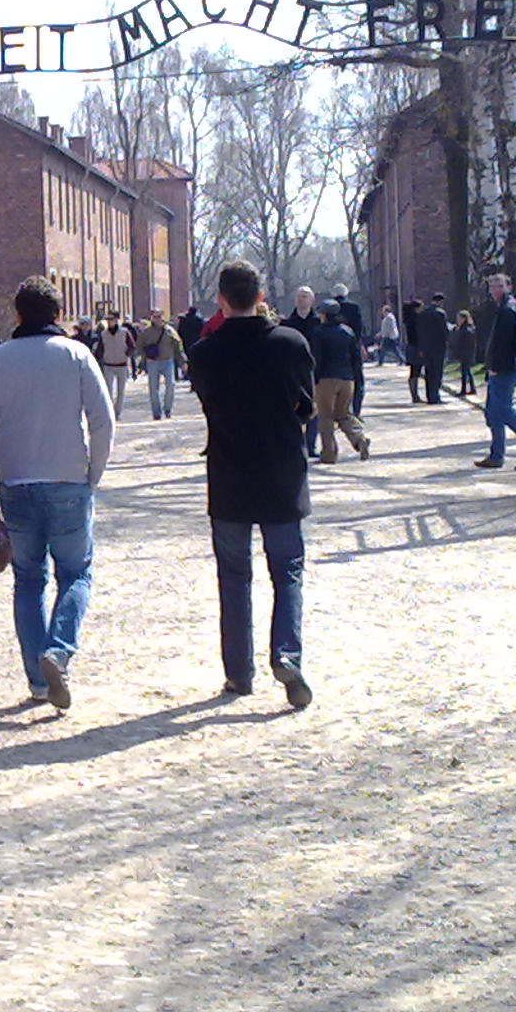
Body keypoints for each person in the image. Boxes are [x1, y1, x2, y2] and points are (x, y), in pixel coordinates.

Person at [0, 275, 115, 709]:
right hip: (68, 477)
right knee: (76, 573)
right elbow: (103, 420)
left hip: (17, 481)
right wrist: (93, 473)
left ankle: (37, 678)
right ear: (58, 315)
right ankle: (59, 649)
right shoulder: (76, 354)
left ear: (17, 315)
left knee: (28, 580)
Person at [188, 262, 315, 709]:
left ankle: (239, 673)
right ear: (261, 296)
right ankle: (286, 655)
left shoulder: (204, 353)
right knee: (288, 571)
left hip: (229, 474)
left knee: (234, 577)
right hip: (281, 472)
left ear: (221, 299)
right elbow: (307, 405)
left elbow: (207, 402)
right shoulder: (290, 343)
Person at [475, 273, 516, 470]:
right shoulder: (508, 307)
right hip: (503, 365)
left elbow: (506, 342)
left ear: (509, 287)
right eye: (492, 287)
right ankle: (496, 455)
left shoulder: (507, 309)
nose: (495, 290)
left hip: (504, 367)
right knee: (493, 413)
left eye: (499, 286)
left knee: (504, 409)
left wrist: (496, 366)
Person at [312, 300, 371, 464]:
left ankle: (329, 454)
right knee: (344, 414)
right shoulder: (348, 332)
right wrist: (356, 378)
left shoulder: (318, 333)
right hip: (347, 379)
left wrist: (314, 379)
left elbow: (317, 358)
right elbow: (356, 358)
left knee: (326, 417)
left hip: (326, 378)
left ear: (323, 314)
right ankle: (359, 439)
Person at [282, 287, 322, 459]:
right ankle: (295, 444)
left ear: (312, 300)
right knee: (292, 409)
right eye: (299, 296)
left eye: (305, 296)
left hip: (314, 371)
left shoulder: (318, 323)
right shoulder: (287, 324)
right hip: (292, 372)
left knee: (314, 409)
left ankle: (311, 444)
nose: (301, 299)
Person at [136, 309, 185, 420]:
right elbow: (139, 346)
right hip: (152, 362)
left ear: (163, 318)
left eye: (159, 317)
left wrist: (182, 362)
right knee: (153, 389)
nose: (157, 319)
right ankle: (156, 412)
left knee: (171, 385)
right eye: (155, 317)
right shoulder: (146, 332)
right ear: (152, 318)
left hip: (167, 361)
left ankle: (167, 409)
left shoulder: (169, 331)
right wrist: (144, 359)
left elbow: (178, 347)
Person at [332, 283, 367, 418]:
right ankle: (356, 411)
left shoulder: (329, 307)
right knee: (358, 381)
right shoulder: (354, 307)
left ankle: (338, 411)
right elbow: (359, 328)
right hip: (352, 347)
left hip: (334, 349)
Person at [95, 311, 136, 417]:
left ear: (116, 320)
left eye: (111, 320)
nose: (109, 322)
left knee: (120, 391)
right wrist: (100, 358)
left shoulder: (124, 332)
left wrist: (126, 354)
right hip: (108, 365)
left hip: (121, 364)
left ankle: (117, 411)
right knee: (108, 390)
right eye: (107, 320)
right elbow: (100, 349)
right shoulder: (103, 334)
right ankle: (110, 411)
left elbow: (132, 346)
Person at [417, 293, 452, 404]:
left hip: (426, 347)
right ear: (440, 302)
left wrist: (421, 347)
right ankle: (435, 395)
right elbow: (444, 331)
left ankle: (429, 395)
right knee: (437, 372)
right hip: (438, 346)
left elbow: (420, 331)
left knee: (428, 372)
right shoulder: (440, 313)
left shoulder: (423, 313)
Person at [403, 298, 425, 402]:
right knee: (416, 371)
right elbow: (419, 335)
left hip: (411, 347)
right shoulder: (416, 320)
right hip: (416, 347)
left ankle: (414, 394)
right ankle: (415, 395)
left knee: (413, 371)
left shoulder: (408, 319)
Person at [453, 310, 478, 395]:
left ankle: (465, 390)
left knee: (465, 372)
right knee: (467, 371)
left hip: (466, 353)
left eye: (459, 318)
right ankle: (471, 388)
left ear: (464, 318)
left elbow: (467, 342)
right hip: (465, 352)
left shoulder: (467, 329)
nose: (458, 320)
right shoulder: (464, 328)